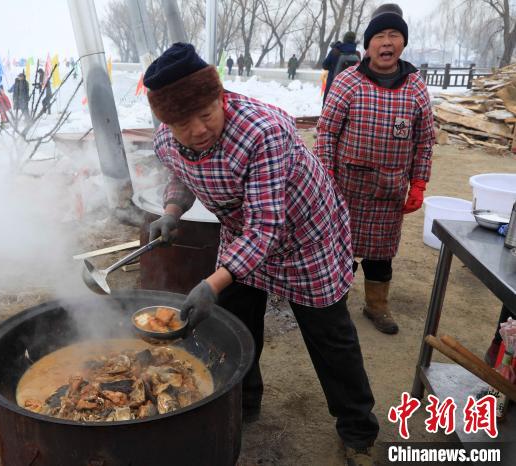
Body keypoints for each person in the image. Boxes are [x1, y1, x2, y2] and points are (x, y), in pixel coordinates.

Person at [144, 43, 378, 466]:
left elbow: (267, 227)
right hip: (243, 232)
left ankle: (357, 429)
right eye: (182, 122)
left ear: (221, 97)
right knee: (235, 324)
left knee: (329, 335)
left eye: (206, 114)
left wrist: (212, 282)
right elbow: (180, 174)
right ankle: (244, 401)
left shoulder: (263, 131)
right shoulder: (166, 139)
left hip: (307, 235)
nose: (196, 130)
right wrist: (171, 211)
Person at [315, 4, 435, 335]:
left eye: (393, 35)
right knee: (340, 253)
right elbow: (326, 134)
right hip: (346, 190)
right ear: (367, 46)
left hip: (388, 192)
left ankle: (376, 306)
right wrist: (325, 180)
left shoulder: (415, 88)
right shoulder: (348, 83)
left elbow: (424, 141)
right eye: (379, 36)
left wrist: (419, 183)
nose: (386, 42)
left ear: (402, 44)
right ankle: (332, 306)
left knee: (380, 257)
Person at [322, 32, 361, 103]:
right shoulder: (357, 54)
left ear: (344, 39)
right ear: (353, 40)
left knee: (328, 106)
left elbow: (325, 65)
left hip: (333, 86)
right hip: (351, 88)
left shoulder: (334, 51)